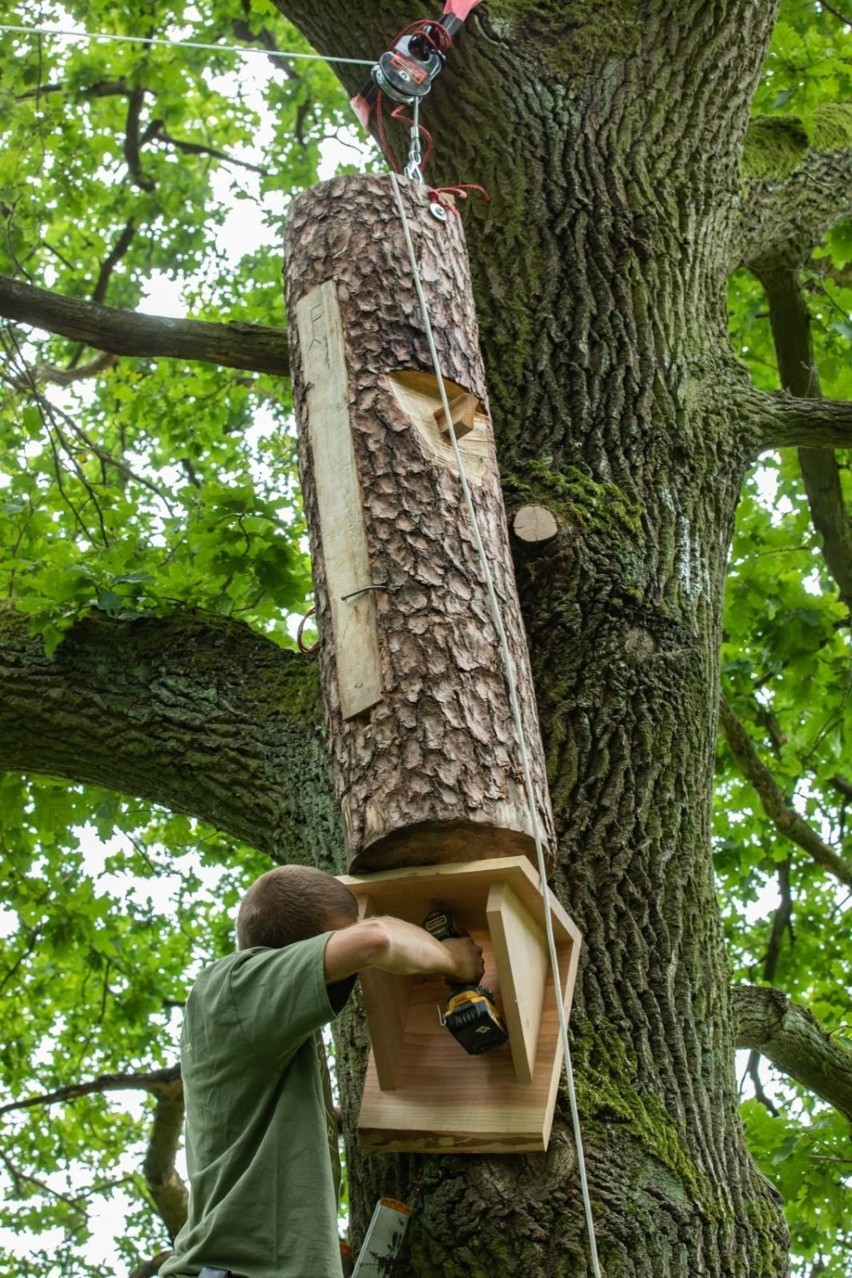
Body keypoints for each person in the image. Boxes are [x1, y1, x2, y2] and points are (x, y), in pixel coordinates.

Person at [158, 864, 484, 1278]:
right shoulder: (231, 988)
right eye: (337, 939)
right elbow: (375, 940)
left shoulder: (256, 1027)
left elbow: (275, 1130)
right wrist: (455, 960)